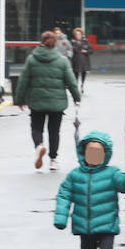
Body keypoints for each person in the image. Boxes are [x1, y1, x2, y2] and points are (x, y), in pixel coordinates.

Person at [16, 30, 81, 172]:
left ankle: (39, 146)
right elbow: (71, 81)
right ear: (55, 43)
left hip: (36, 101)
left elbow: (23, 81)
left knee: (36, 128)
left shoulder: (32, 59)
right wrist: (77, 98)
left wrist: (20, 100)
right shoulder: (62, 60)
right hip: (56, 104)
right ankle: (53, 160)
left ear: (41, 42)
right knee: (54, 131)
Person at [70, 27, 92, 93]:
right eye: (77, 34)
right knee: (75, 74)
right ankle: (76, 86)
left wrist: (86, 51)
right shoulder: (72, 42)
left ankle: (82, 85)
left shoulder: (85, 41)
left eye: (79, 34)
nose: (78, 36)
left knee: (84, 73)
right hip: (76, 61)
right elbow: (72, 50)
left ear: (82, 34)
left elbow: (91, 50)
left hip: (84, 61)